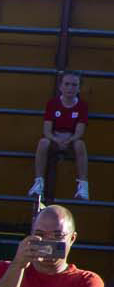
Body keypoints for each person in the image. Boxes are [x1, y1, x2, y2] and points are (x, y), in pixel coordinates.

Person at [32, 70, 89, 203]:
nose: (70, 88)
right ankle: (38, 183)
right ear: (60, 86)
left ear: (79, 87)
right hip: (55, 138)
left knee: (80, 144)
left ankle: (83, 186)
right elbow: (47, 130)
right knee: (43, 142)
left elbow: (80, 131)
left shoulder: (82, 106)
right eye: (67, 84)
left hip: (71, 139)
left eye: (74, 85)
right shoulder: (53, 103)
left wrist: (69, 140)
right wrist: (56, 139)